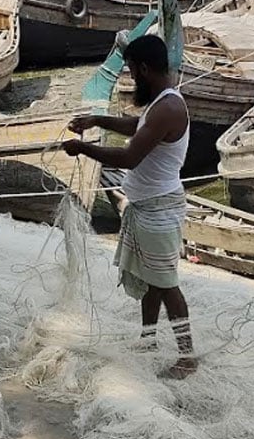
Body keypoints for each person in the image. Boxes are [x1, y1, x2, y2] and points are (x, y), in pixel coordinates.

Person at [62, 34, 196, 379]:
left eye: (133, 72)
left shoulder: (168, 106)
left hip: (159, 208)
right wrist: (97, 121)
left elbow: (130, 156)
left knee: (166, 284)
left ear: (145, 69)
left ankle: (187, 355)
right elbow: (137, 127)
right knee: (150, 278)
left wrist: (84, 149)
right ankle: (149, 338)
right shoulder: (162, 103)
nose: (132, 79)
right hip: (147, 205)